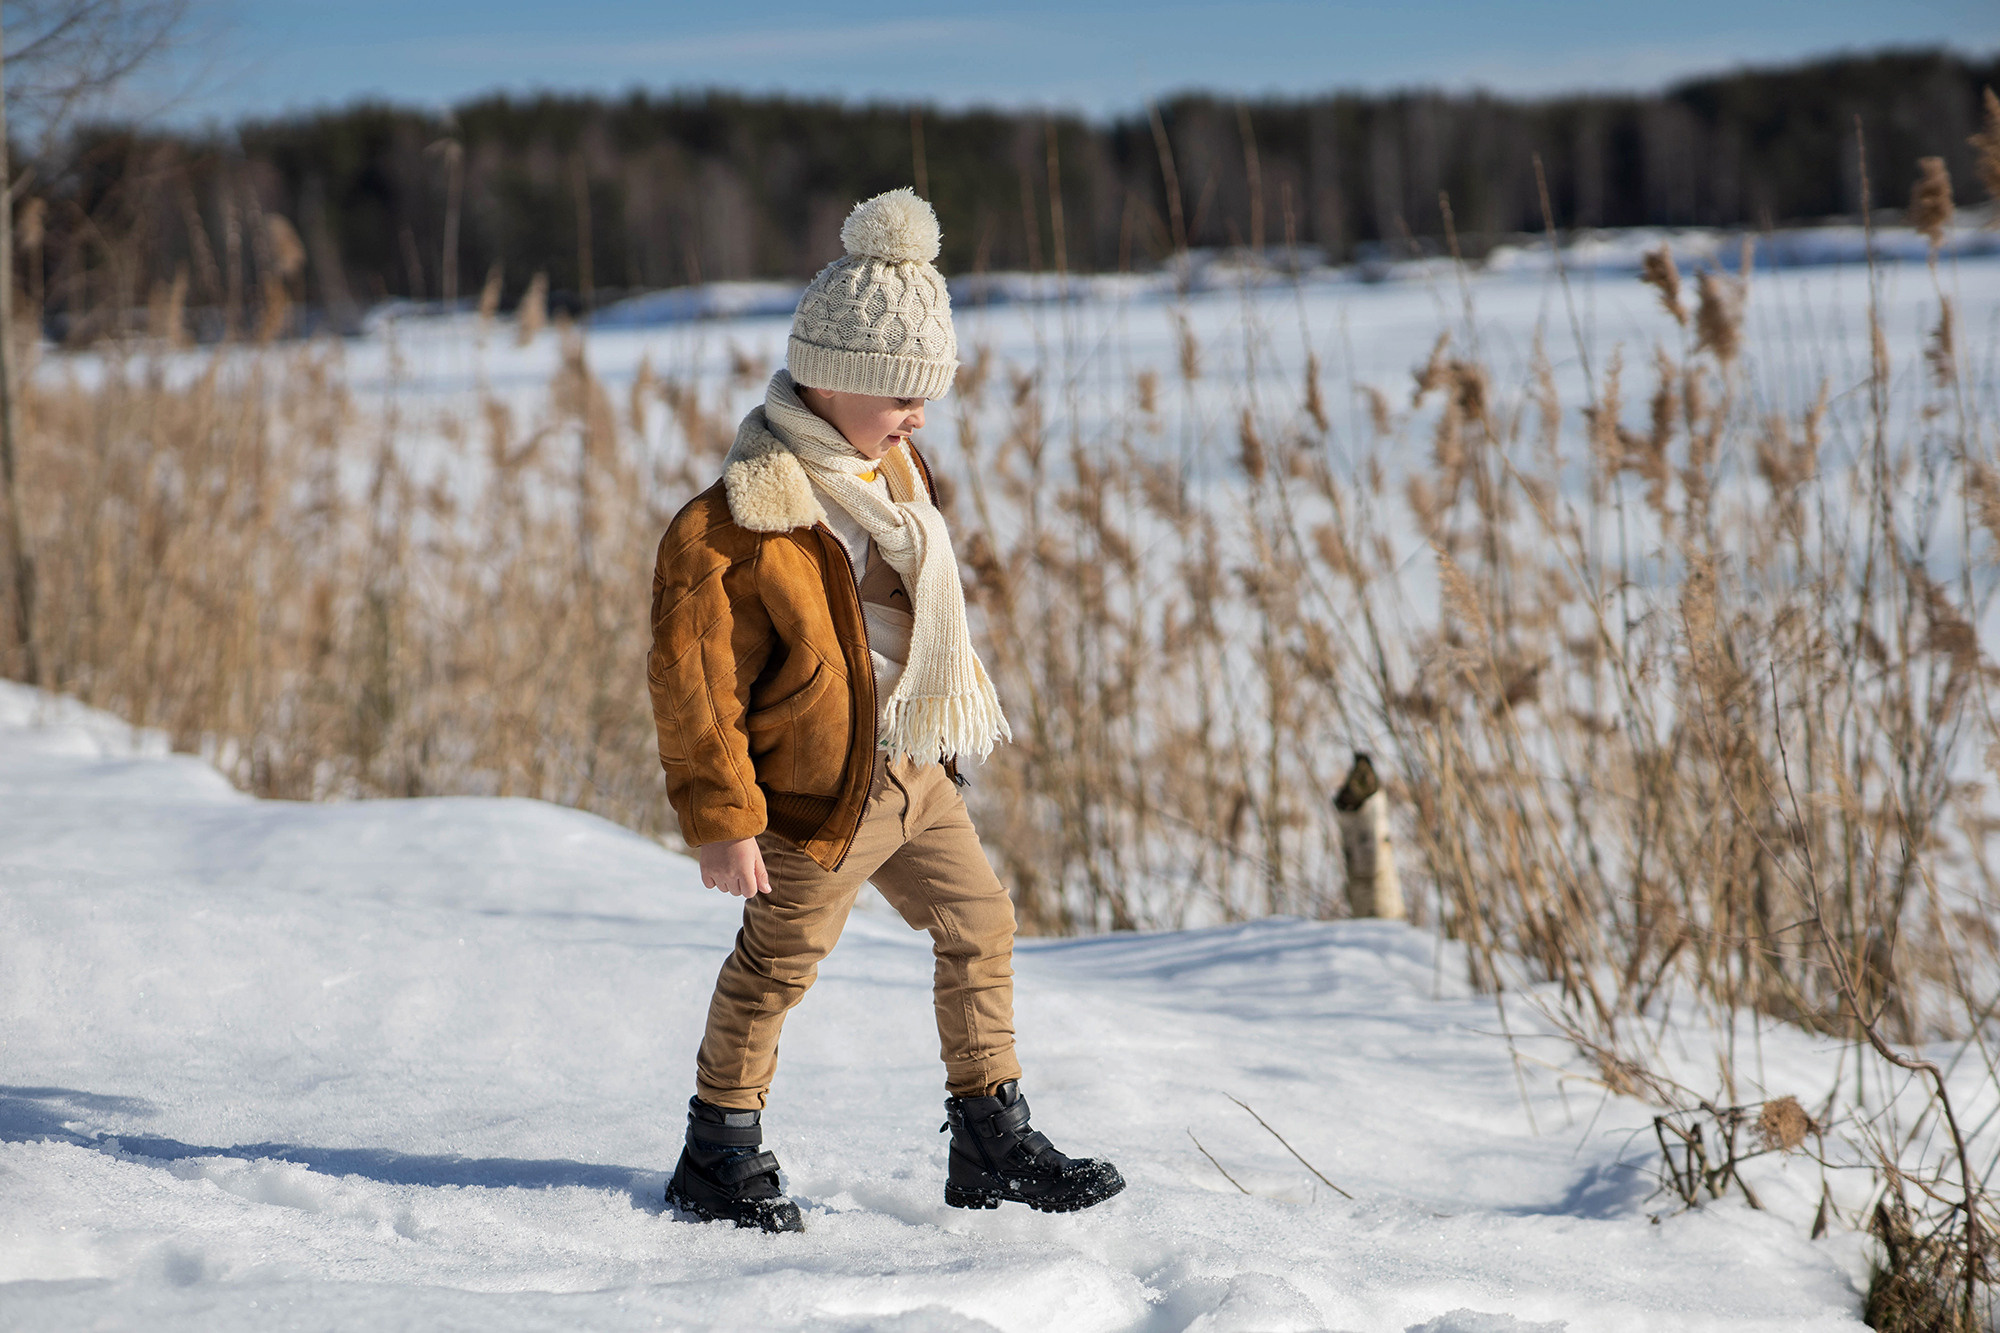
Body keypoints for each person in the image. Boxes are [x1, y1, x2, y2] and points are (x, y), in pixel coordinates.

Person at [646, 188, 1124, 1233]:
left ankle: (988, 1135)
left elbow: (913, 627)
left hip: (913, 768)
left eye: (926, 394)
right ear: (831, 380)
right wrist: (723, 816)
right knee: (778, 965)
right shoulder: (741, 517)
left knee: (980, 924)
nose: (918, 414)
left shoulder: (897, 473)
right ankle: (715, 1148)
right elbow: (695, 686)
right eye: (901, 393)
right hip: (819, 791)